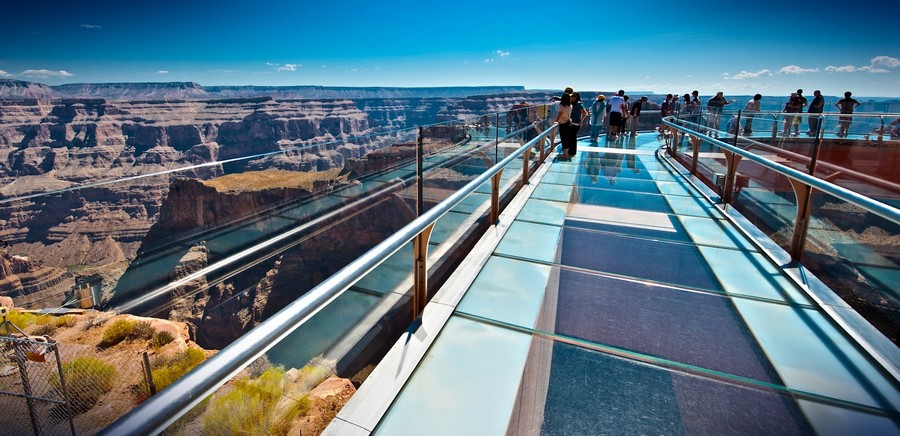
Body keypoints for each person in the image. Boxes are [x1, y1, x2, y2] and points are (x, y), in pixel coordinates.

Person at [554, 92, 573, 160]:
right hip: (568, 122)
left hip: (563, 123)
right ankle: (566, 153)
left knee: (564, 139)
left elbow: (560, 114)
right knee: (567, 138)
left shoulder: (562, 106)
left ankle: (565, 154)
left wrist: (555, 121)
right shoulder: (570, 105)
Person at [568, 92, 588, 158]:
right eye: (572, 96)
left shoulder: (579, 104)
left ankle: (572, 152)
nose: (572, 97)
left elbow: (585, 113)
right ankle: (570, 151)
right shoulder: (572, 103)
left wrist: (581, 122)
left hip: (576, 123)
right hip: (571, 122)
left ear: (577, 97)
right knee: (571, 137)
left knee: (573, 138)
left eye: (574, 96)